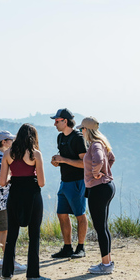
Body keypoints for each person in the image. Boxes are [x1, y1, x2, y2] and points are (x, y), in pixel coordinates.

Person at [0, 123, 51, 280]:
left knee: (12, 236)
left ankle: (6, 274)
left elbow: (2, 182)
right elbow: (41, 182)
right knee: (34, 235)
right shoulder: (36, 154)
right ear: (33, 137)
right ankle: (33, 275)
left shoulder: (8, 153)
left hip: (14, 195)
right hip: (32, 195)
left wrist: (13, 178)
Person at [78, 117, 116, 274]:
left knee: (100, 228)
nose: (81, 132)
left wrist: (96, 173)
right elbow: (111, 158)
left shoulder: (95, 145)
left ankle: (105, 265)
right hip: (106, 186)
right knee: (103, 227)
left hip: (98, 188)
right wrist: (104, 171)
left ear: (87, 130)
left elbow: (100, 159)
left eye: (82, 129)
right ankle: (107, 262)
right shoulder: (101, 143)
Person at [0, 131, 27, 272]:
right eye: (11, 140)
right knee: (5, 231)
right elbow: (1, 181)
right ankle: (10, 261)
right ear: (4, 142)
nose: (13, 143)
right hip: (1, 199)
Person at [50, 108, 88, 259]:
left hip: (77, 182)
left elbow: (84, 163)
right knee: (61, 214)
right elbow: (65, 160)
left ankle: (81, 247)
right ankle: (67, 248)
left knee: (80, 215)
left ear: (65, 121)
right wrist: (57, 162)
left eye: (57, 121)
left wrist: (63, 160)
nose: (55, 124)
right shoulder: (60, 138)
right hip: (64, 182)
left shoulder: (78, 138)